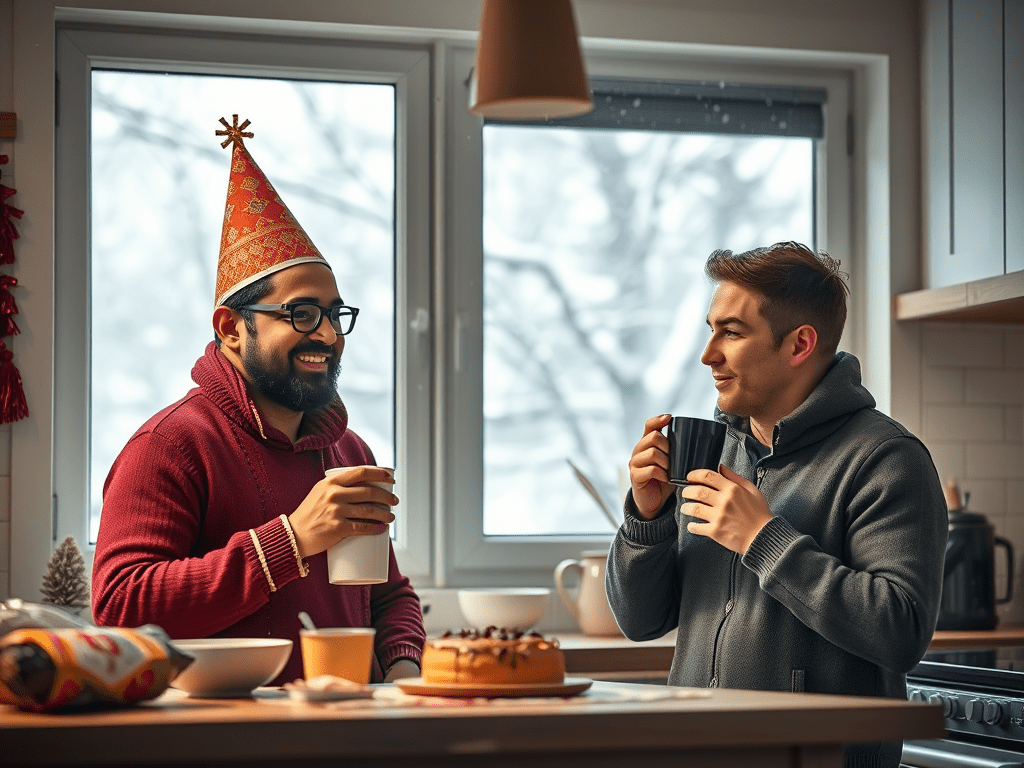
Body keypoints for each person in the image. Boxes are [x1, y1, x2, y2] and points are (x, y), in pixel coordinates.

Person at [92, 115, 425, 685]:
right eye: (300, 313)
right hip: (221, 737)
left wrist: (402, 671)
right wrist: (292, 540)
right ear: (230, 328)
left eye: (333, 314)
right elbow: (121, 604)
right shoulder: (169, 445)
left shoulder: (349, 451)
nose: (326, 333)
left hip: (353, 730)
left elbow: (389, 596)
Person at [607, 242, 946, 768]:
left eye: (732, 332)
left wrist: (764, 540)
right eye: (710, 328)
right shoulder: (716, 451)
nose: (708, 354)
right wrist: (646, 519)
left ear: (800, 344)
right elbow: (640, 621)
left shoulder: (886, 460)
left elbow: (900, 632)